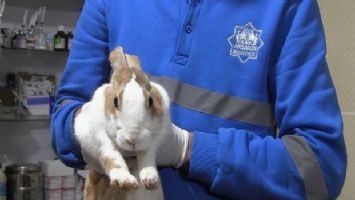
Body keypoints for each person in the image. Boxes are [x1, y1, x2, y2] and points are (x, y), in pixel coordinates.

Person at [50, 0, 347, 199]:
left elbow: (321, 167)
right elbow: (63, 120)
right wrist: (86, 128)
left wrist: (189, 150)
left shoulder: (288, 7)